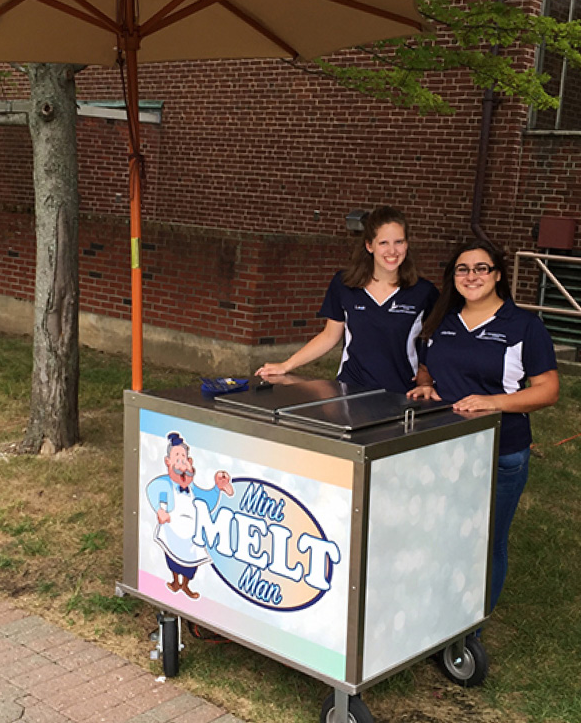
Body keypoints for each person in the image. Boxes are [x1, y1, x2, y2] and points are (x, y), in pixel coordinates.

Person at [408, 238, 559, 610]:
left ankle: (472, 620)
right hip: (444, 446)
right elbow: (425, 366)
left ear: (497, 275)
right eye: (462, 268)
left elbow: (548, 389)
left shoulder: (523, 325)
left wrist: (494, 402)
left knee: (487, 538)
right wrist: (426, 385)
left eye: (481, 268)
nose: (471, 275)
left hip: (501, 450)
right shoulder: (441, 320)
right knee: (441, 531)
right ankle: (438, 606)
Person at [256, 206, 438, 394]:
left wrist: (427, 374)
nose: (392, 251)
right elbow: (329, 336)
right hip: (350, 391)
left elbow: (440, 341)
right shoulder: (344, 284)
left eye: (399, 242)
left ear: (407, 244)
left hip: (401, 394)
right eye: (383, 243)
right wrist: (286, 365)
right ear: (369, 245)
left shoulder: (424, 291)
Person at [146, 432, 234, 599]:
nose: (181, 462)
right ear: (168, 462)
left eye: (183, 458)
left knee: (190, 565)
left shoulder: (193, 488)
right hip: (172, 531)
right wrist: (160, 510)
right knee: (172, 559)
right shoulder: (165, 483)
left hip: (191, 537)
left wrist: (217, 488)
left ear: (190, 462)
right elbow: (152, 489)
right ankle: (174, 581)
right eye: (176, 458)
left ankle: (185, 585)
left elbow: (207, 502)